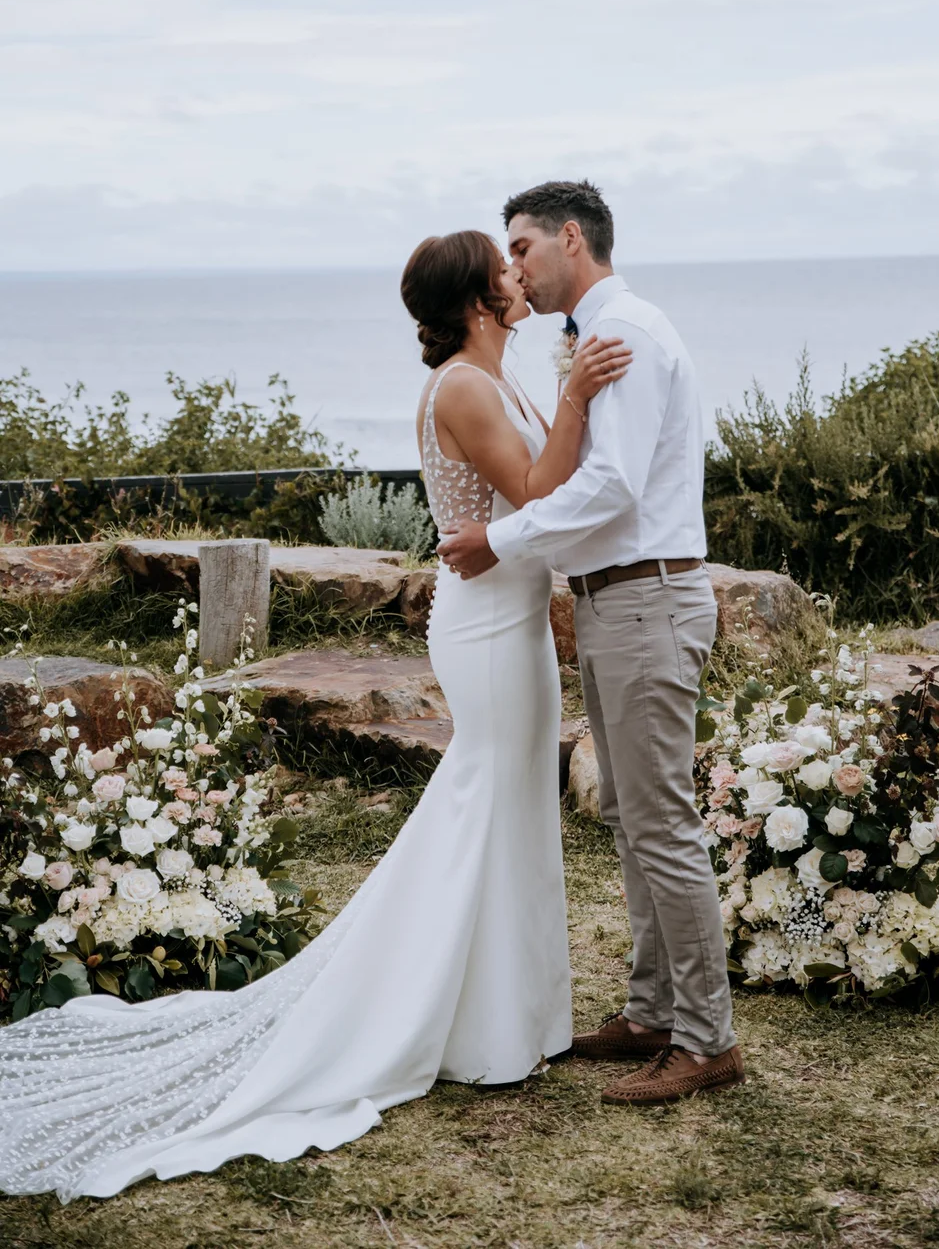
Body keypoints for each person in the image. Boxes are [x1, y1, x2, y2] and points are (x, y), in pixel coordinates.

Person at [0, 228, 630, 1203]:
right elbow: (537, 490)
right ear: (474, 300)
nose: (518, 277)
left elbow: (541, 486)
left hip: (511, 616)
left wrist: (570, 393)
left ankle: (512, 1020)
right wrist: (582, 394)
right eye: (502, 268)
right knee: (480, 804)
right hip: (487, 626)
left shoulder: (493, 374)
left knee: (511, 809)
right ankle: (443, 1020)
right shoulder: (464, 385)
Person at [439, 180, 744, 1105]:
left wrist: (502, 539)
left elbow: (611, 487)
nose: (517, 268)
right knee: (627, 811)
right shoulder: (594, 342)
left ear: (574, 238)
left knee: (661, 821)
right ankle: (653, 1011)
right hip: (615, 602)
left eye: (524, 247)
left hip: (649, 600)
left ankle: (706, 1039)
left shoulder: (630, 336)